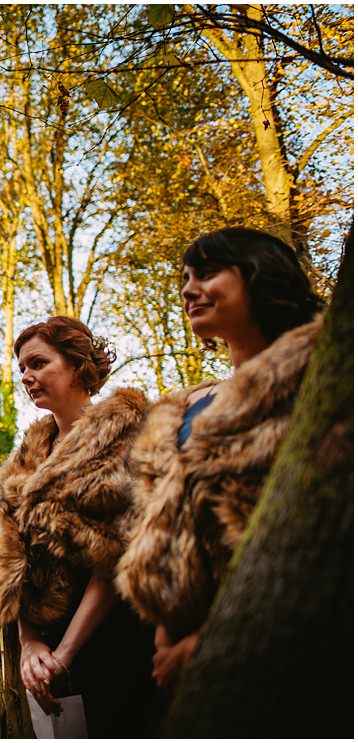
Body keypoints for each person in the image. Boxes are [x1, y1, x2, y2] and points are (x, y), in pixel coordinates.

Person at [117, 226, 323, 693]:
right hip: (179, 653)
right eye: (186, 277)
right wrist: (168, 636)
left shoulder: (316, 379)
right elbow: (167, 528)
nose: (190, 290)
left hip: (287, 640)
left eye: (207, 273)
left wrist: (211, 641)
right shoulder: (185, 406)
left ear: (259, 275)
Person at [0, 316, 155, 735]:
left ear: (77, 364)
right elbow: (11, 557)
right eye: (22, 368)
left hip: (117, 635)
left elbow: (116, 554)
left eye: (38, 363)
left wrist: (67, 653)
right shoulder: (27, 455)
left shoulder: (127, 435)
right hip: (47, 646)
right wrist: (30, 643)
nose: (27, 376)